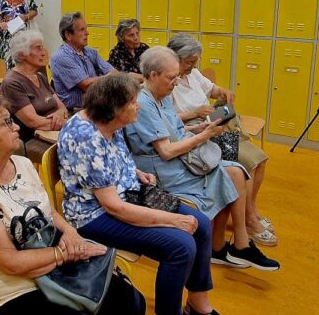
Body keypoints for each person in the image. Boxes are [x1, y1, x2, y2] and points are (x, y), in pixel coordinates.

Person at [0, 94, 145, 315]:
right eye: (6, 123)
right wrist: (66, 254)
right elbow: (11, 263)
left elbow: (47, 209)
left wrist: (71, 233)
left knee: (131, 300)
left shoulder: (22, 164)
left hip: (49, 263)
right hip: (13, 287)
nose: (16, 126)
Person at [57, 73, 219, 315]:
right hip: (94, 215)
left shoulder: (111, 122)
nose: (138, 105)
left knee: (202, 224)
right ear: (114, 107)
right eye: (133, 102)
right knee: (181, 246)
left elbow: (115, 159)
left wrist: (135, 172)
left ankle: (198, 303)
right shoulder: (86, 137)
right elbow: (113, 207)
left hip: (127, 193)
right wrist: (174, 220)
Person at [127, 47, 279, 271]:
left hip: (180, 159)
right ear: (153, 75)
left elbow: (177, 129)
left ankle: (230, 245)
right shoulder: (144, 104)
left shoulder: (162, 96)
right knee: (231, 177)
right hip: (162, 170)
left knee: (236, 173)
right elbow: (166, 151)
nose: (175, 83)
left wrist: (201, 128)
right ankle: (231, 246)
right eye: (171, 78)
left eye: (177, 77)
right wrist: (204, 137)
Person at [166, 34, 277, 247]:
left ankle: (251, 210)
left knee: (260, 159)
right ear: (174, 58)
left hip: (212, 125)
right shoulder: (168, 81)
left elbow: (213, 90)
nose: (192, 67)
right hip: (196, 133)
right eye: (188, 62)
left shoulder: (194, 74)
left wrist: (224, 93)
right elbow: (166, 119)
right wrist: (194, 113)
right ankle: (248, 220)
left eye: (194, 62)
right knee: (247, 163)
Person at [0, 30, 67, 157]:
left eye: (42, 47)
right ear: (21, 55)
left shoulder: (40, 76)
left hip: (51, 130)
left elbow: (62, 107)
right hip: (31, 138)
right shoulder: (12, 82)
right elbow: (33, 122)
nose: (43, 52)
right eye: (38, 48)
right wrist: (64, 122)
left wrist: (59, 116)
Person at [50, 12, 134, 111]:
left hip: (96, 107)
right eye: (82, 29)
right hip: (75, 112)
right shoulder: (61, 57)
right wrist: (108, 77)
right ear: (68, 35)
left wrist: (109, 76)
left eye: (86, 28)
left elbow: (114, 73)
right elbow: (87, 85)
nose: (87, 33)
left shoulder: (90, 52)